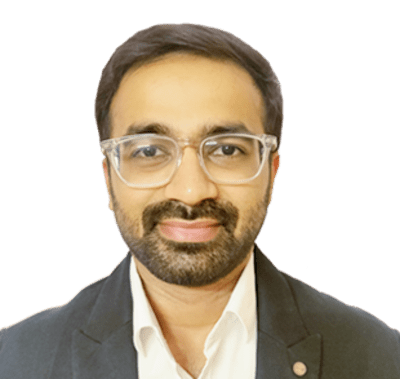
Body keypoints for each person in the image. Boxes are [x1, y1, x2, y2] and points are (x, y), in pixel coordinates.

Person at [0, 23, 399, 379]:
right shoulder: (14, 362)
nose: (191, 191)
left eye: (226, 149)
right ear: (109, 175)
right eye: (149, 151)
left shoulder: (380, 358)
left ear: (271, 170)